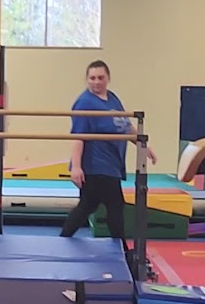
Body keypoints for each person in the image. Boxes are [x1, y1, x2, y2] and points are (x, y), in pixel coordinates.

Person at [60, 60, 157, 249]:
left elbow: (125, 126)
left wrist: (143, 145)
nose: (96, 82)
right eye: (92, 78)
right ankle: (121, 248)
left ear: (108, 78)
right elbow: (78, 137)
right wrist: (76, 167)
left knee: (88, 205)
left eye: (100, 78)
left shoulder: (112, 98)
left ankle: (63, 238)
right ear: (87, 79)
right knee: (115, 205)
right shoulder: (84, 103)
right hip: (96, 165)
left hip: (111, 164)